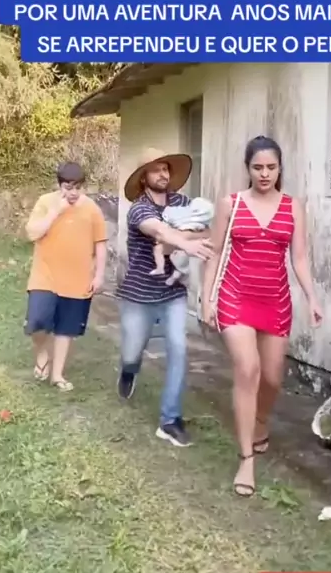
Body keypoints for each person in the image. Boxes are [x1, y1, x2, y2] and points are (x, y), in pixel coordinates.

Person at [202, 135, 323, 497]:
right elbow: (215, 252)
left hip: (276, 301)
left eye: (271, 167)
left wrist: (312, 297)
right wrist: (207, 298)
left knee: (271, 378)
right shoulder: (231, 204)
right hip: (235, 296)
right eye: (258, 167)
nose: (265, 173)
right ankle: (246, 459)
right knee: (248, 369)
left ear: (280, 168)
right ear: (248, 168)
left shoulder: (293, 207)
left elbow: (299, 258)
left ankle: (259, 420)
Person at [116, 147, 213, 447]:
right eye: (156, 169)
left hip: (173, 293)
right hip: (138, 294)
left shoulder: (182, 203)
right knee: (132, 353)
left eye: (165, 169)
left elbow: (206, 230)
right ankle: (129, 370)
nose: (162, 174)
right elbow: (157, 230)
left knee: (178, 349)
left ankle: (169, 421)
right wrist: (182, 242)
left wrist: (181, 241)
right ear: (143, 177)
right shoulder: (139, 209)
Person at [24, 161, 108, 392]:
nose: (73, 193)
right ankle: (42, 354)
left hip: (77, 279)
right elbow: (32, 233)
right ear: (59, 185)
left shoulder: (92, 209)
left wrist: (99, 275)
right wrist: (55, 212)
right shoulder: (45, 202)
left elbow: (100, 244)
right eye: (68, 187)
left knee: (65, 329)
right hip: (45, 276)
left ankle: (57, 375)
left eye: (77, 187)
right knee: (37, 322)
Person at [150, 196, 215, 286]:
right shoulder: (142, 208)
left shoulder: (182, 202)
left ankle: (166, 269)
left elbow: (209, 233)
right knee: (161, 250)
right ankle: (169, 270)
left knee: (165, 251)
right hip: (181, 247)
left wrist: (184, 236)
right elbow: (160, 233)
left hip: (186, 249)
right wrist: (188, 236)